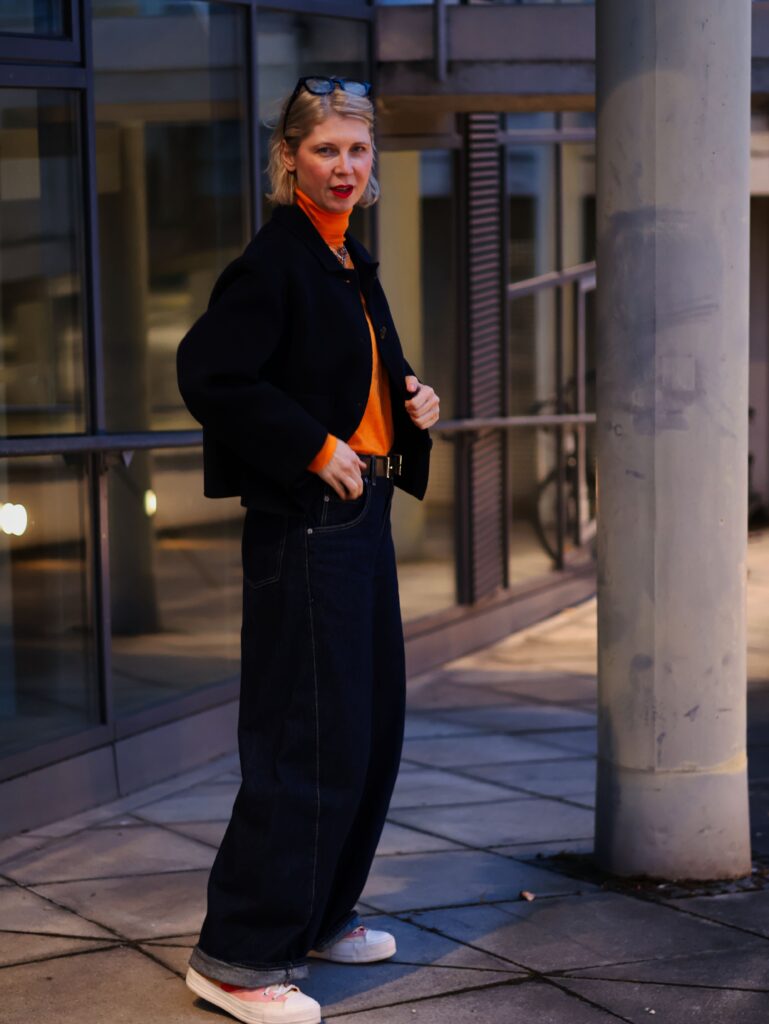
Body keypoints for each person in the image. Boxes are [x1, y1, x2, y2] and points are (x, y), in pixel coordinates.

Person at [176, 75, 440, 1024]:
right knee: (306, 742)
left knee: (367, 732)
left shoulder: (344, 257)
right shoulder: (276, 260)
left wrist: (410, 400)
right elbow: (208, 371)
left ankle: (321, 915)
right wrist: (314, 444)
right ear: (288, 157)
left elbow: (360, 369)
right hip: (305, 525)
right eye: (326, 149)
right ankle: (238, 959)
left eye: (357, 151)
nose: (343, 167)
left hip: (359, 515)